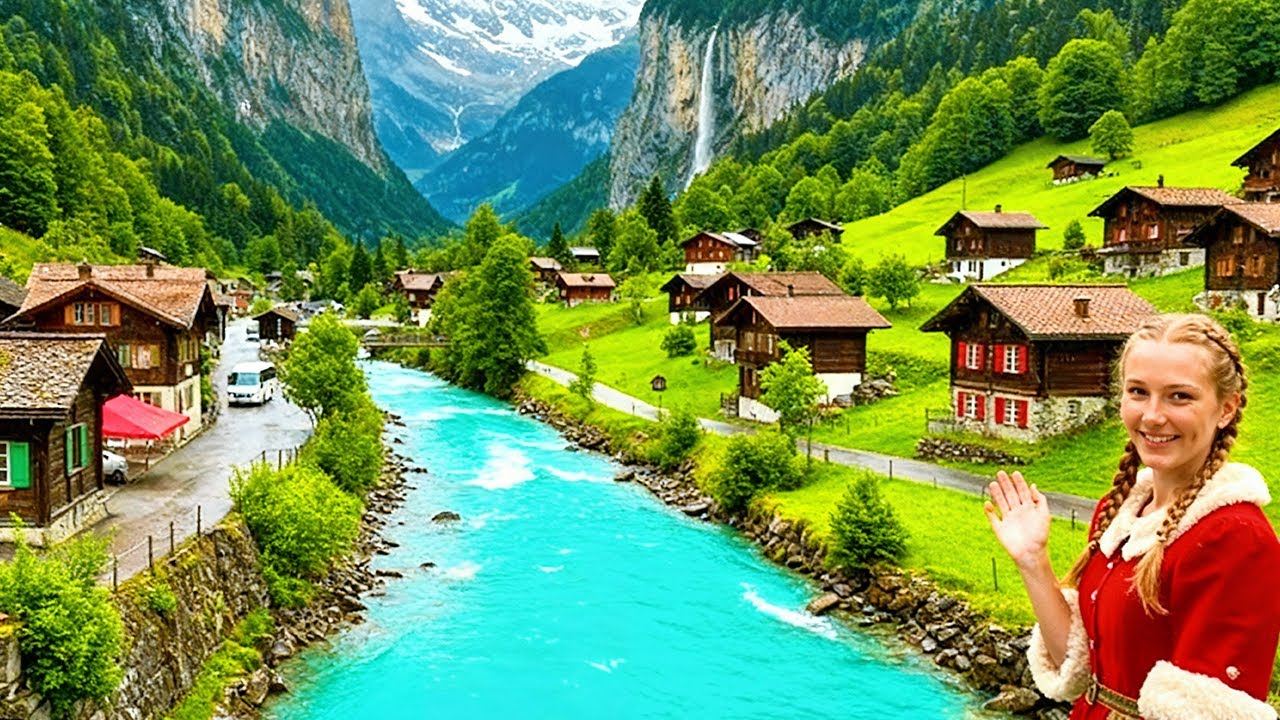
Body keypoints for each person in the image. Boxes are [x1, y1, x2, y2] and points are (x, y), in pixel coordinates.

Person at [984, 313, 1280, 719]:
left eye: (1180, 396)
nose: (1153, 415)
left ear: (1226, 408)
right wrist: (1033, 562)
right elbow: (1081, 669)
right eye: (1138, 391)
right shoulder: (1118, 513)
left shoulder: (1235, 538)